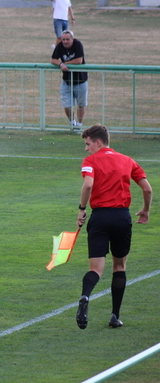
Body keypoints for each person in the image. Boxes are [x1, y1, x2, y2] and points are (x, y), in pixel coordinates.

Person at [75, 124, 152, 330]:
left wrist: (82, 209)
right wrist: (145, 210)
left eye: (88, 144)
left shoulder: (90, 161)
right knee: (119, 267)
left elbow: (88, 185)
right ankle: (114, 316)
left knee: (96, 269)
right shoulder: (127, 160)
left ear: (98, 142)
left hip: (99, 217)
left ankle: (85, 296)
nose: (86, 149)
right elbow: (147, 188)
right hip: (121, 217)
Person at [51, 30, 88, 128]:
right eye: (63, 39)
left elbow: (79, 60)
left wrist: (64, 64)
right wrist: (60, 64)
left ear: (72, 39)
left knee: (81, 104)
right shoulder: (60, 46)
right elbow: (53, 59)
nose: (65, 42)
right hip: (66, 81)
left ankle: (79, 125)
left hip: (80, 80)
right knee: (66, 104)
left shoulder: (78, 44)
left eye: (67, 39)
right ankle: (72, 123)